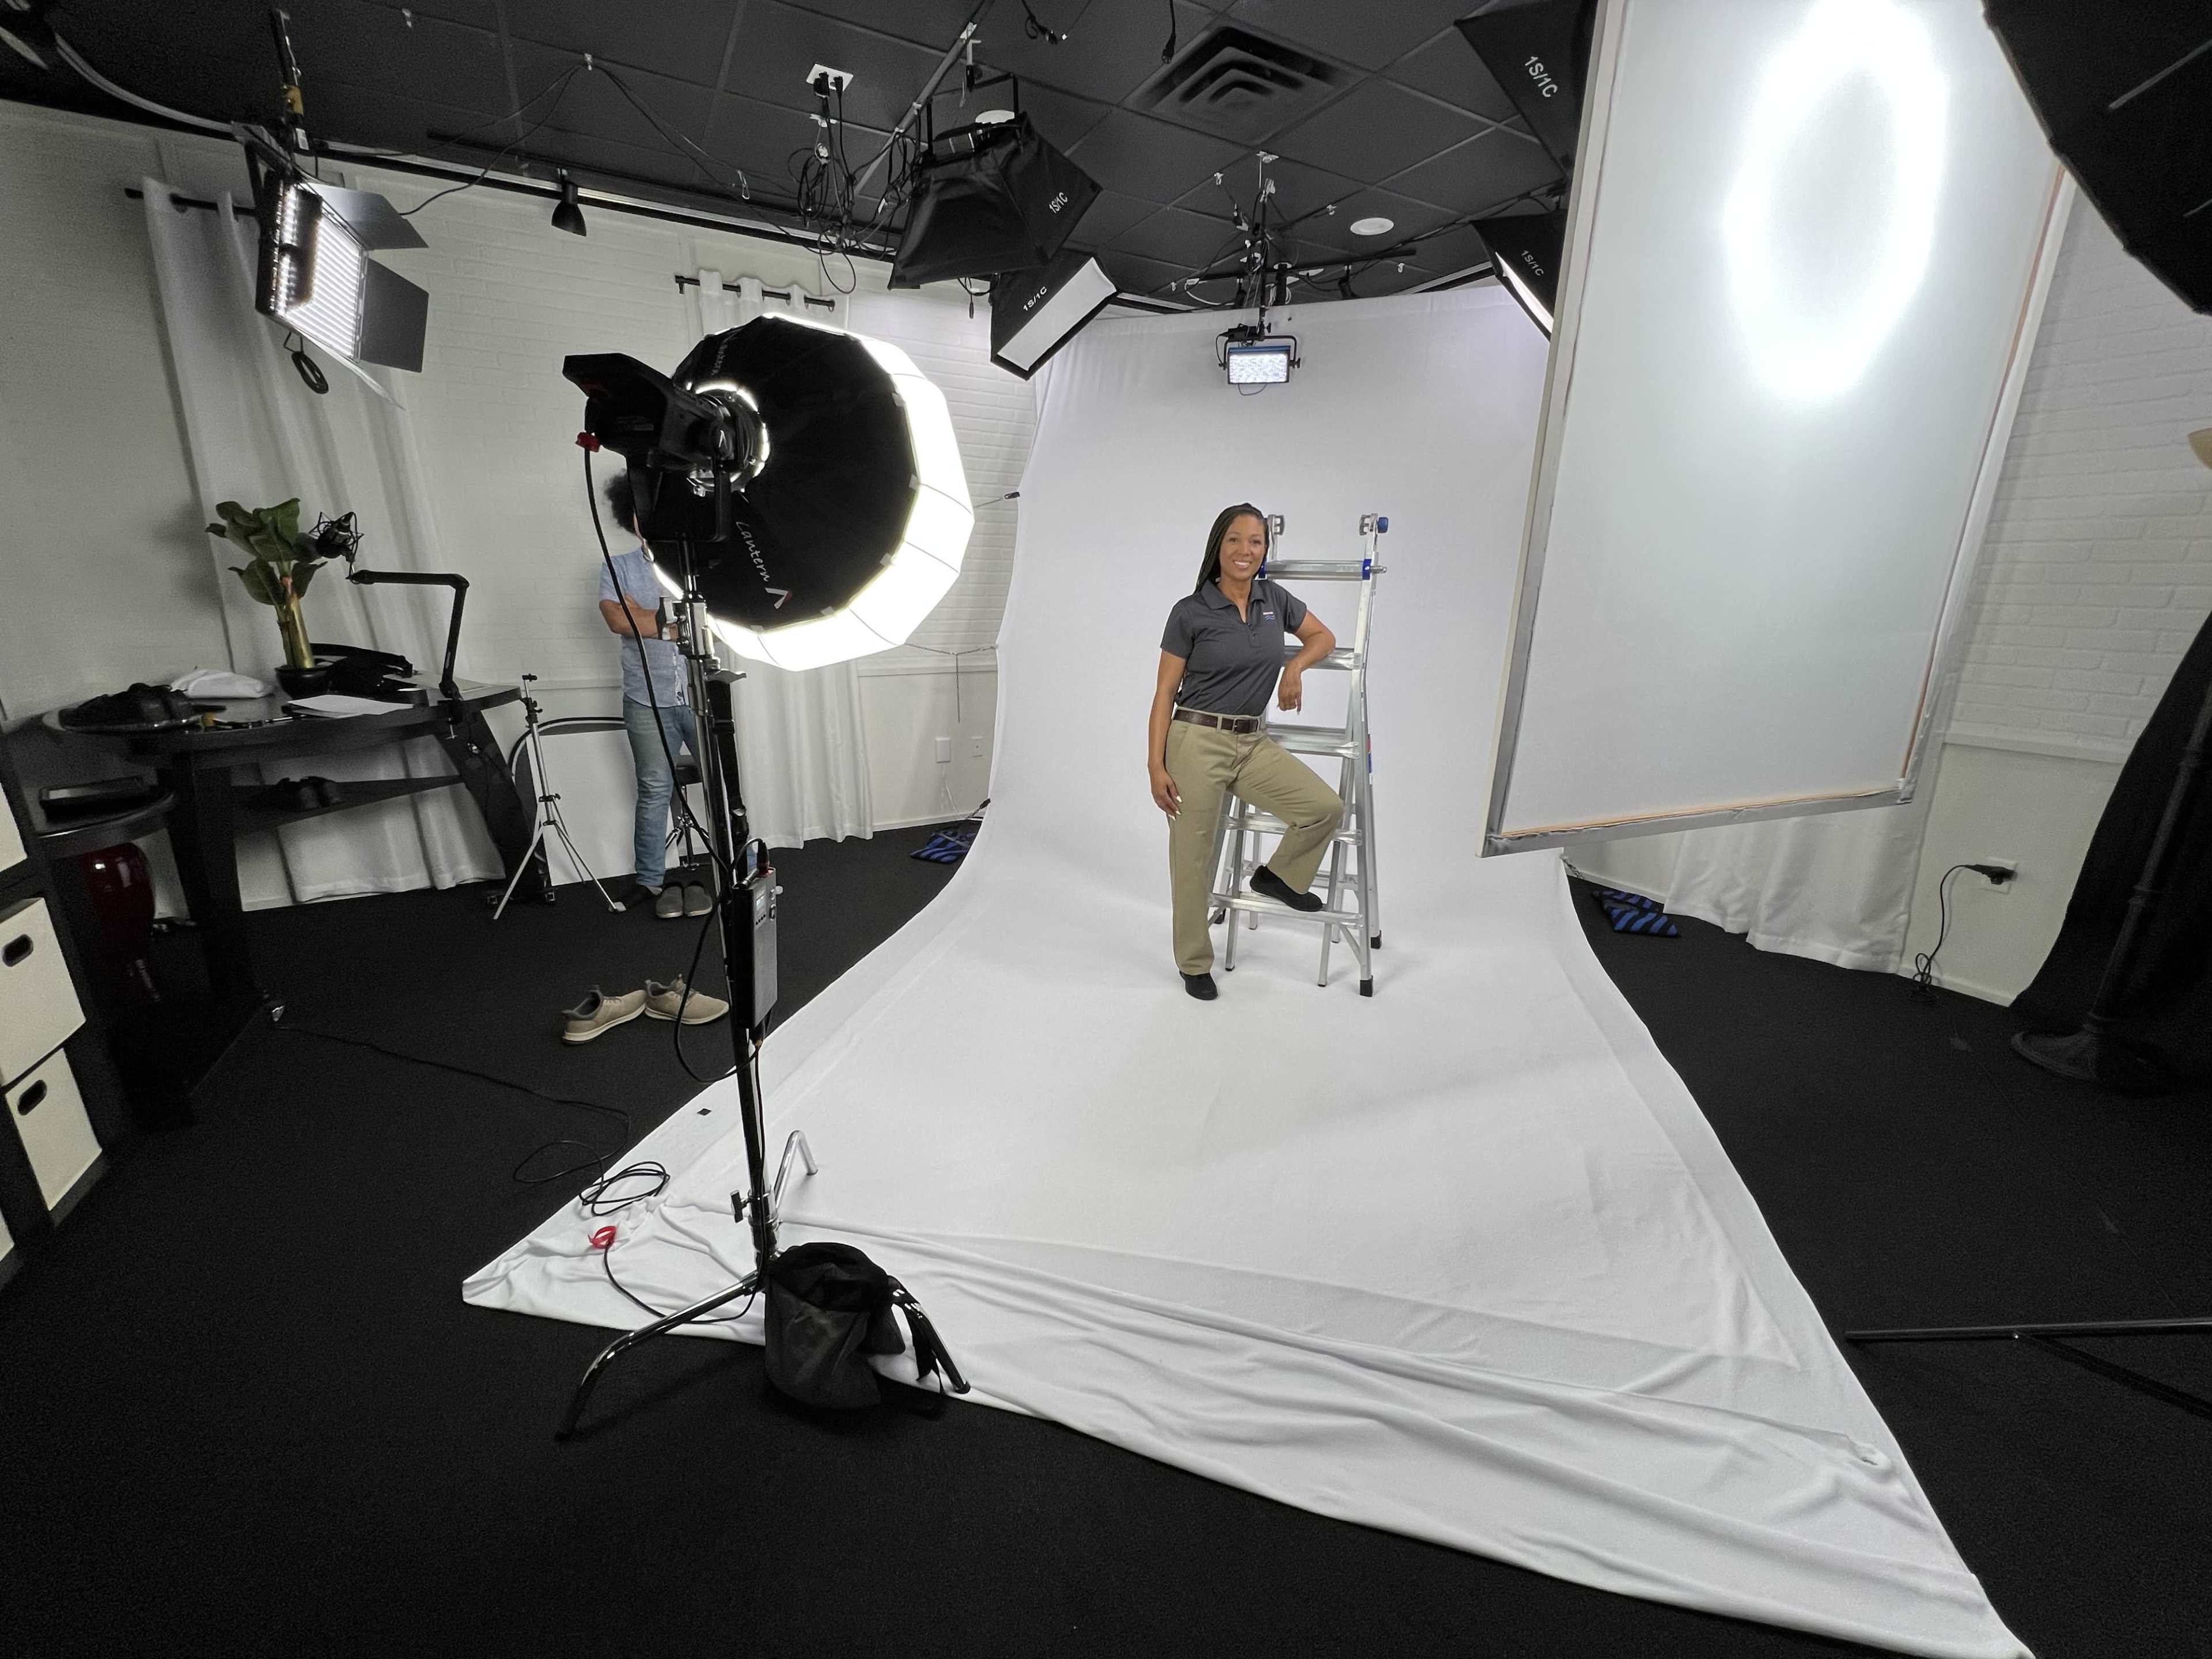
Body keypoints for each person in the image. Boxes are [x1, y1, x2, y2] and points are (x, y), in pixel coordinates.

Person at [1149, 504, 1343, 1001]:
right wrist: (1156, 765)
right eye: (1235, 540)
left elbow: (1324, 636)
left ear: (1264, 551)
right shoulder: (1190, 612)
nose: (1245, 551)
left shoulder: (1273, 598)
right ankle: (1194, 962)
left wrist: (1294, 667)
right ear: (1219, 545)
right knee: (1194, 860)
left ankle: (1277, 877)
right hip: (1196, 741)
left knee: (1323, 808)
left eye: (1256, 542)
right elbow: (1164, 694)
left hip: (1252, 741)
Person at [597, 472, 709, 920]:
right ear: (634, 519)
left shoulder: (695, 565)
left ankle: (735, 869)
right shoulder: (616, 567)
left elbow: (709, 623)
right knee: (654, 788)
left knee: (722, 788)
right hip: (646, 698)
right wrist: (673, 626)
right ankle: (650, 880)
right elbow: (619, 621)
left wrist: (648, 618)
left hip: (700, 695)